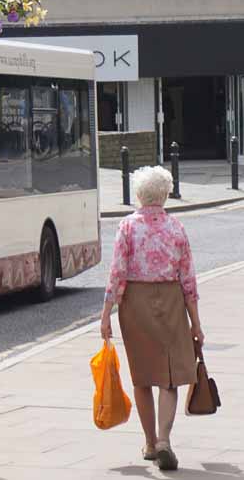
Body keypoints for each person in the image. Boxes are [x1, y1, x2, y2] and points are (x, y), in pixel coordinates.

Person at [100, 166, 203, 472]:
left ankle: (148, 442)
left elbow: (116, 273)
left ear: (139, 194)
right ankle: (164, 441)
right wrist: (195, 323)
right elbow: (189, 280)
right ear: (166, 194)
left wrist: (106, 315)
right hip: (171, 300)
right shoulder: (176, 228)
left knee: (143, 376)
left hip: (135, 303)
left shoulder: (128, 227)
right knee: (169, 377)